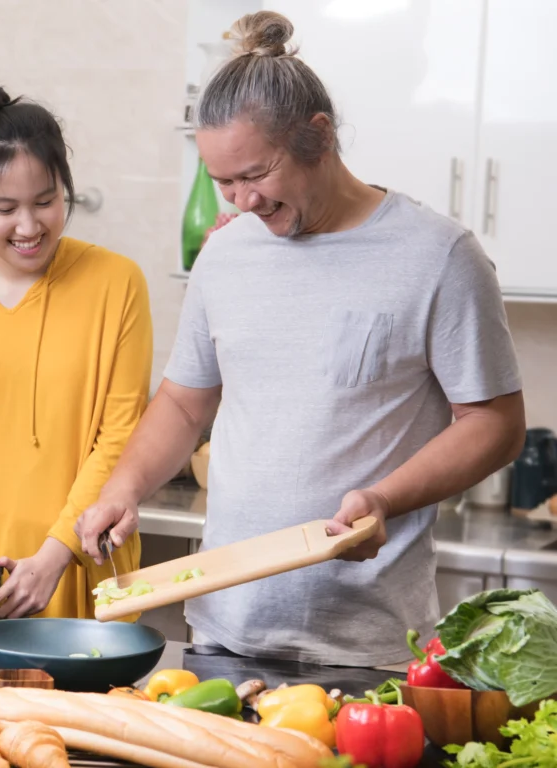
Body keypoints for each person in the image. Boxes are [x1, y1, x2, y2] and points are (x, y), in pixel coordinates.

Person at [77, 12, 526, 666]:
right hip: (222, 632)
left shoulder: (439, 255)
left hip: (367, 645)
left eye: (255, 173)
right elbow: (183, 404)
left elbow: (495, 424)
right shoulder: (225, 254)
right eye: (223, 182)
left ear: (319, 136)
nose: (241, 201)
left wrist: (384, 499)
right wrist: (123, 489)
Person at [0, 77, 153, 619]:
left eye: (46, 201)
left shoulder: (116, 283)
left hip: (78, 565)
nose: (29, 226)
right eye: (5, 208)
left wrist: (54, 555)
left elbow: (120, 441)